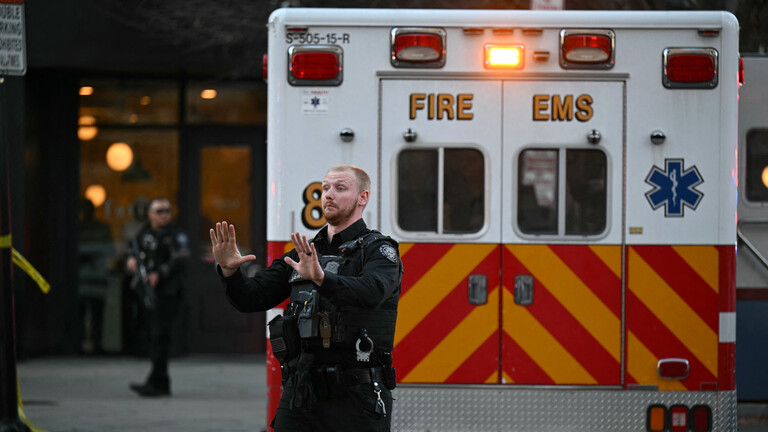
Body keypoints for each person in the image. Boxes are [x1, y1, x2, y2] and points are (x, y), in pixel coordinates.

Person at [210, 164, 402, 431]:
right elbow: (251, 298)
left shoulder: (379, 251)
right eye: (325, 188)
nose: (328, 195)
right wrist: (230, 272)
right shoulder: (305, 253)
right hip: (302, 392)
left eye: (340, 188)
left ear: (363, 198)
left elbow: (372, 292)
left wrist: (323, 279)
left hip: (357, 395)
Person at [126, 197, 190, 397]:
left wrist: (159, 273)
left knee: (159, 337)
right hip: (149, 291)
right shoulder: (144, 233)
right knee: (153, 337)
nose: (164, 215)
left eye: (167, 210)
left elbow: (181, 257)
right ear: (150, 214)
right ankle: (158, 381)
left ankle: (158, 382)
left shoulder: (175, 234)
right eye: (159, 211)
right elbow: (133, 248)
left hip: (168, 292)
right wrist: (131, 260)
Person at [78, 199, 115, 355]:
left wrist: (86, 252)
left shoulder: (102, 228)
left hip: (97, 278)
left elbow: (110, 249)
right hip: (81, 280)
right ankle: (79, 344)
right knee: (80, 314)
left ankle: (97, 344)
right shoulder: (77, 227)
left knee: (97, 315)